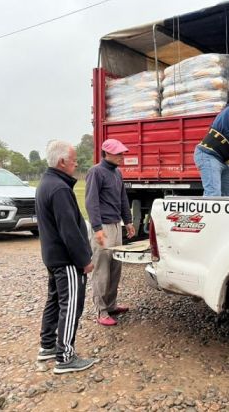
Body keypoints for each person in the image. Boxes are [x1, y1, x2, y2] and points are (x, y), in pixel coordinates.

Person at [36, 140, 95, 374]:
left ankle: (48, 346)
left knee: (54, 302)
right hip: (66, 260)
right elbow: (69, 230)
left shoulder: (47, 183)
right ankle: (65, 357)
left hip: (53, 257)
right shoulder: (59, 189)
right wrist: (84, 260)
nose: (76, 163)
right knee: (70, 305)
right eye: (73, 159)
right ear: (62, 162)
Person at [85, 138, 136, 326]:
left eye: (122, 153)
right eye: (119, 153)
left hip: (116, 225)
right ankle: (101, 310)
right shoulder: (96, 172)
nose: (122, 157)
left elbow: (123, 198)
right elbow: (91, 202)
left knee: (115, 268)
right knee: (102, 269)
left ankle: (112, 305)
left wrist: (128, 221)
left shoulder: (117, 173)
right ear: (106, 153)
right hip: (103, 227)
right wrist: (97, 229)